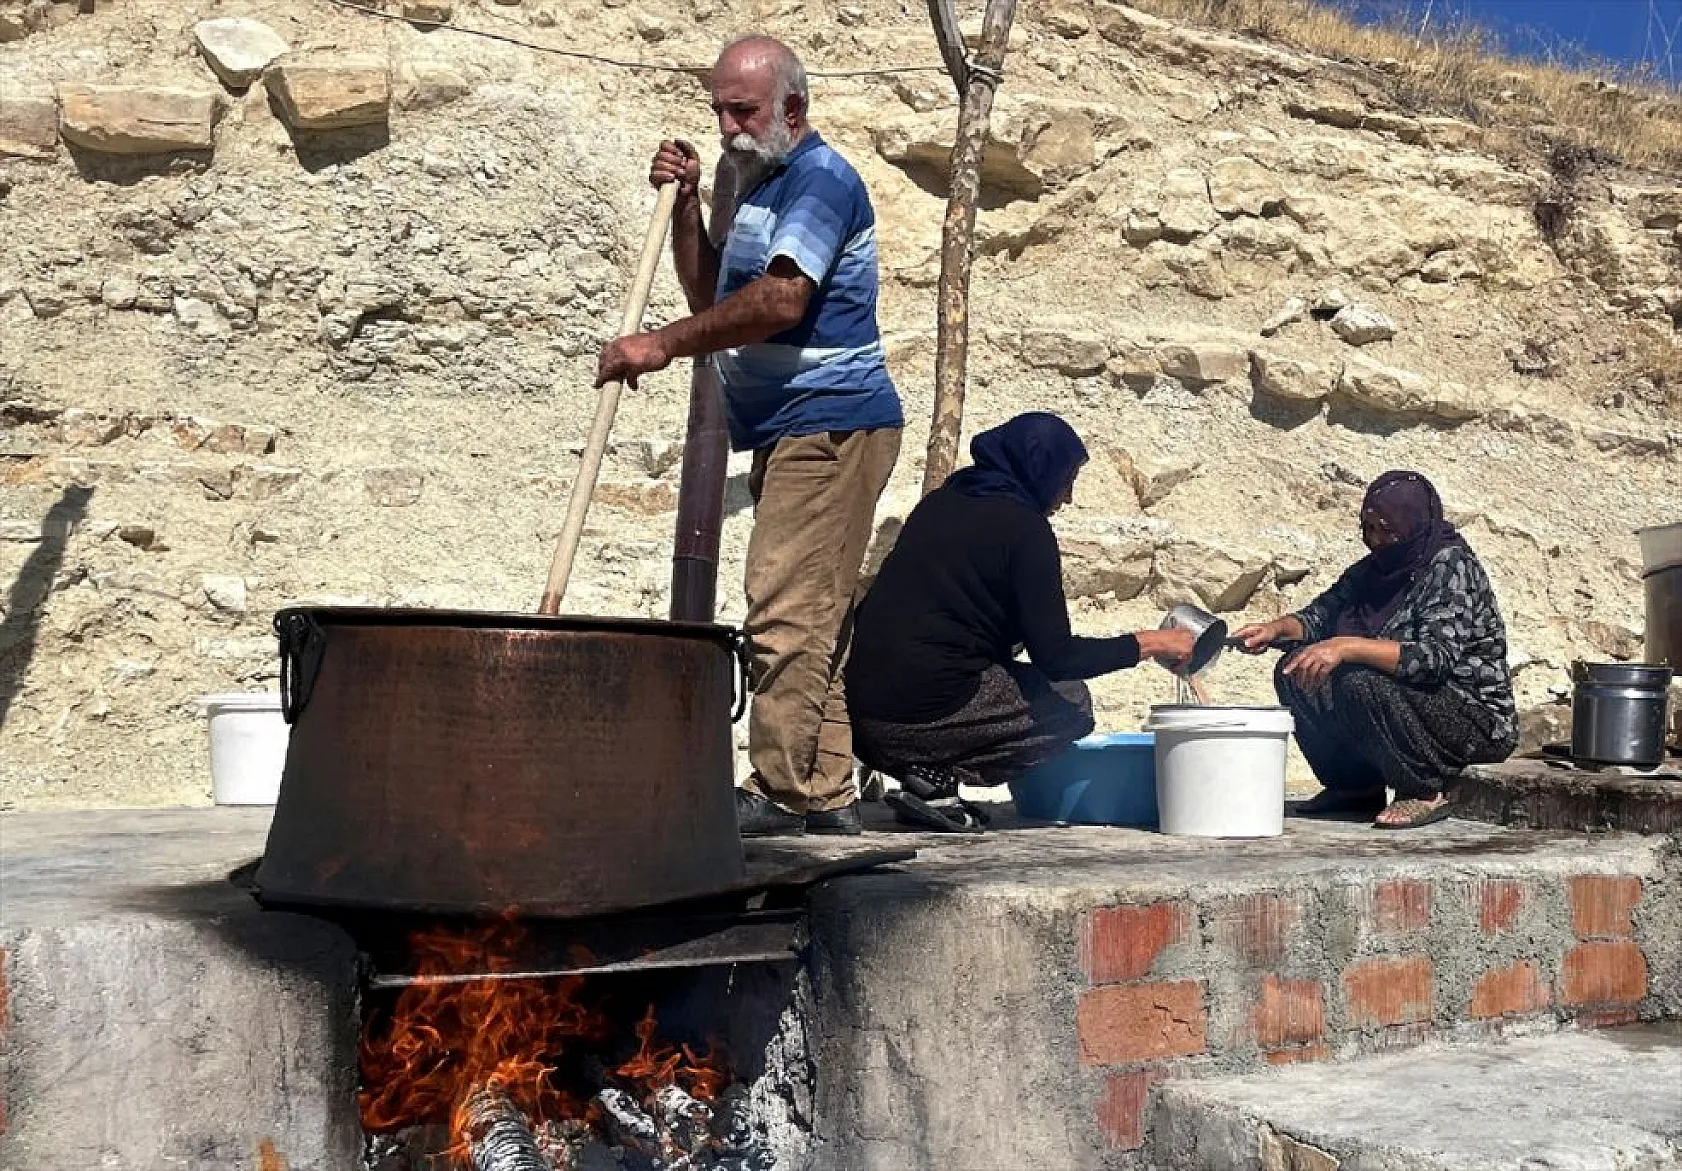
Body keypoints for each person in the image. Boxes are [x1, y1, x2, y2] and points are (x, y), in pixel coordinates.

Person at [596, 36, 902, 838]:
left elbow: (779, 303)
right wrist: (691, 206)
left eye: (745, 110)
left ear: (791, 109)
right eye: (720, 110)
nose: (729, 126)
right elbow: (714, 295)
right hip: (792, 429)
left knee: (783, 611)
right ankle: (826, 793)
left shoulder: (820, 182)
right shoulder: (762, 185)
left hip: (832, 424)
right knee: (814, 614)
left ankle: (779, 790)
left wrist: (660, 343)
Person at [843, 413, 1197, 832]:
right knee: (1069, 703)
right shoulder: (1024, 530)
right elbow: (1058, 658)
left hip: (859, 719)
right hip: (915, 721)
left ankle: (932, 785)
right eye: (1065, 481)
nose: (1066, 497)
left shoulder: (941, 502)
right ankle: (932, 770)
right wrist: (1150, 642)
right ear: (1038, 469)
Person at [1233, 470, 1518, 830]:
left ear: (1412, 524)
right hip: (1415, 704)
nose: (1377, 540)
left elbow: (1433, 659)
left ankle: (1422, 790)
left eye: (1387, 529)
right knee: (1295, 669)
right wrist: (1274, 629)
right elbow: (1319, 617)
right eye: (1369, 528)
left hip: (1473, 719)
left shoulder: (1449, 566)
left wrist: (1346, 647)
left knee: (1360, 681)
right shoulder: (1373, 571)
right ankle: (1353, 788)